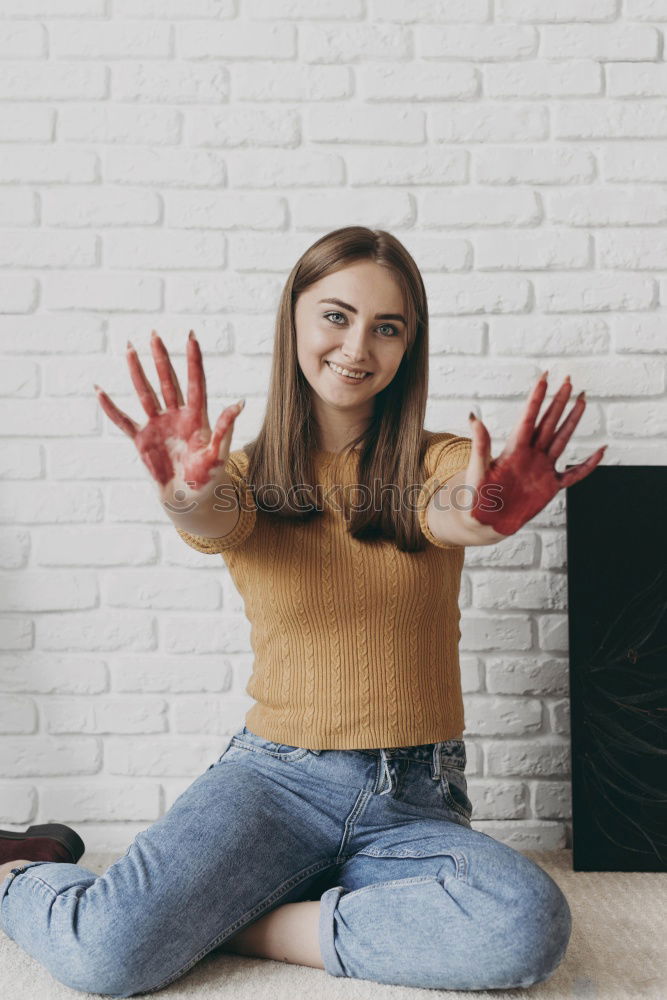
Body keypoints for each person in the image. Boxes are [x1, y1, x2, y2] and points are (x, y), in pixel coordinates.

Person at [0, 227, 606, 996]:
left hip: (413, 798)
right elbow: (209, 513)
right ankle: (18, 869)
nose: (357, 347)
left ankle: (247, 919)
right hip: (272, 785)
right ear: (292, 320)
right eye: (336, 316)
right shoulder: (242, 475)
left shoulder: (437, 460)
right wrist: (183, 487)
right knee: (104, 957)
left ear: (407, 348)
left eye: (386, 328)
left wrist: (494, 504)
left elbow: (463, 510)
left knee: (523, 925)